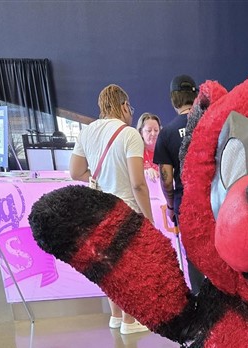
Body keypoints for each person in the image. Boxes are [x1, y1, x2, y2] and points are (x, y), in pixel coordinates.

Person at [69, 84, 153, 334]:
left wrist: (99, 179)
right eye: (130, 107)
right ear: (124, 105)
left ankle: (116, 317)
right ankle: (130, 321)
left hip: (97, 208)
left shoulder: (87, 132)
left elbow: (75, 172)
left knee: (108, 265)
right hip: (124, 208)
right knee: (127, 266)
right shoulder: (129, 134)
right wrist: (148, 217)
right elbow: (138, 184)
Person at [153, 74, 204, 294]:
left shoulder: (167, 133)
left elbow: (166, 178)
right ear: (196, 96)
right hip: (214, 200)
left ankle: (200, 300)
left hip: (186, 203)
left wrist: (171, 206)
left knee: (194, 255)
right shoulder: (211, 124)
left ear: (174, 99)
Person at [136, 112, 161, 183]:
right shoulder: (136, 152)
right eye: (149, 131)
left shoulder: (165, 151)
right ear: (141, 132)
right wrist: (145, 172)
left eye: (156, 130)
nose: (153, 133)